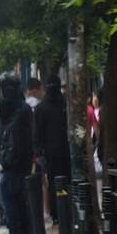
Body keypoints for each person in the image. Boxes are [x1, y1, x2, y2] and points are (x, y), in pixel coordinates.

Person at [0, 72, 34, 234]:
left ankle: (17, 230)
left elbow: (14, 139)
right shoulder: (16, 107)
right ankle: (22, 230)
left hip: (14, 162)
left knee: (10, 197)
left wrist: (4, 162)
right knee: (17, 197)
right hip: (16, 159)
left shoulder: (17, 109)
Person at [34, 75, 69, 225]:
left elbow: (37, 134)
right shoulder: (62, 104)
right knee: (59, 184)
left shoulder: (63, 105)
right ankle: (59, 214)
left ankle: (59, 214)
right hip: (57, 154)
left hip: (58, 154)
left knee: (58, 185)